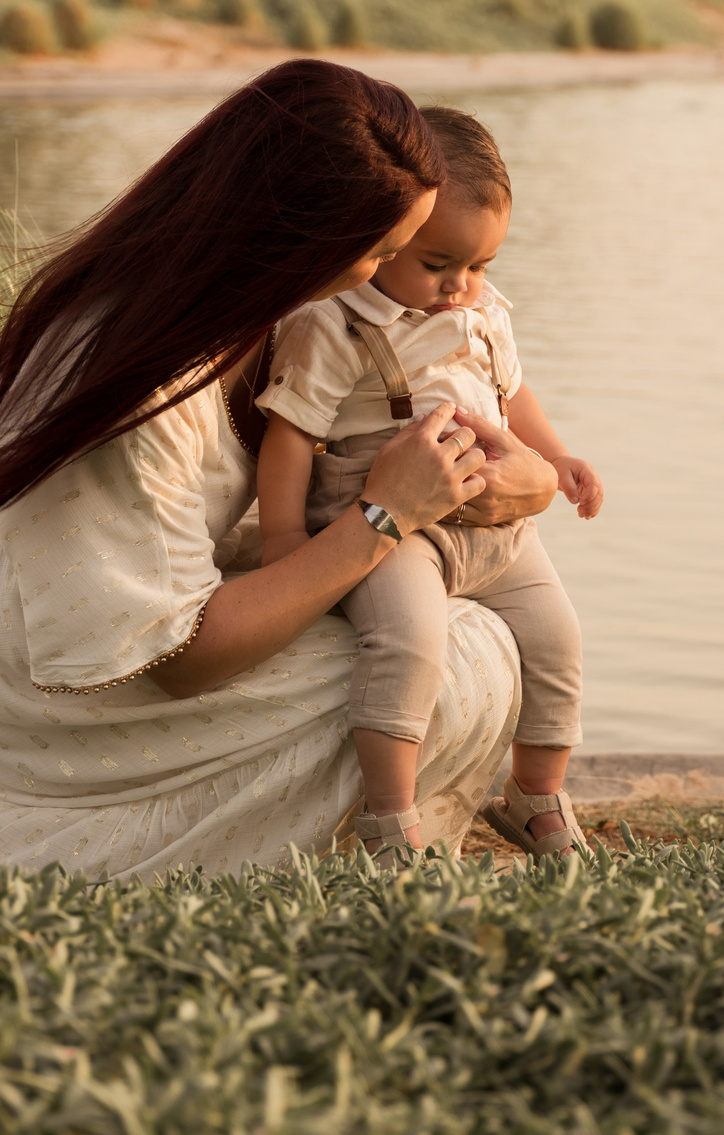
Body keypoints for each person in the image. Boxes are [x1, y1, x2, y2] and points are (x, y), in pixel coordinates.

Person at [0, 61, 560, 882]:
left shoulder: (273, 314)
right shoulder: (131, 369)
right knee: (459, 666)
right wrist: (386, 517)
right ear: (302, 231)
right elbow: (183, 657)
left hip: (123, 619)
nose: (392, 286)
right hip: (45, 692)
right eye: (381, 253)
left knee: (463, 637)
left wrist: (528, 482)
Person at [255, 108, 603, 865]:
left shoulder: (482, 311)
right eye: (439, 261)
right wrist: (284, 539)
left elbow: (516, 394)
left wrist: (559, 458)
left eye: (480, 265)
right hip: (386, 523)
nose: (461, 286)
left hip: (493, 523)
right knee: (408, 643)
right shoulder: (336, 324)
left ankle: (535, 795)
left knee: (558, 638)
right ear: (382, 232)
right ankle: (390, 819)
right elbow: (291, 438)